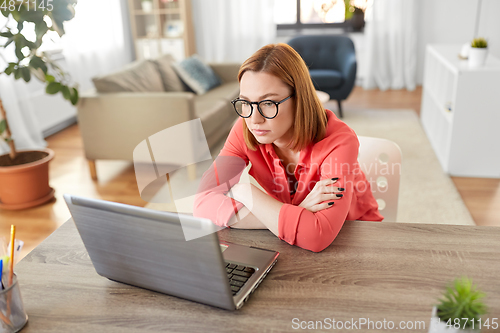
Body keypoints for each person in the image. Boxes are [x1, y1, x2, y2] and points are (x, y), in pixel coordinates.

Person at [194, 43, 383, 252]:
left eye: (268, 103)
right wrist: (293, 212)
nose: (254, 119)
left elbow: (317, 236)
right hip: (288, 239)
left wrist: (245, 191)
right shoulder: (245, 129)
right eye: (246, 103)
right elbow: (202, 204)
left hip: (357, 239)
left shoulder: (339, 141)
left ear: (299, 99)